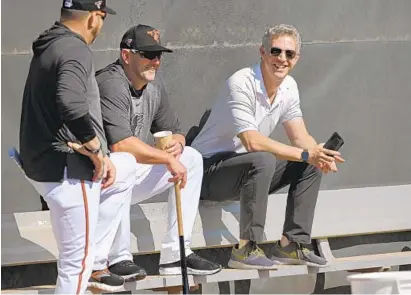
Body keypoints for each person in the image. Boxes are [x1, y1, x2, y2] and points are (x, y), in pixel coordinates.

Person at [191, 24, 345, 269]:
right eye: (276, 51)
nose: (282, 59)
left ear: (296, 58)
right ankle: (246, 249)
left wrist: (319, 153)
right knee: (264, 158)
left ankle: (292, 245)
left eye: (289, 54)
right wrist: (305, 152)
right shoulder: (241, 83)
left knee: (310, 162)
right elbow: (252, 141)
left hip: (247, 173)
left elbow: (300, 137)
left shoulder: (289, 87)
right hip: (205, 173)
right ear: (262, 52)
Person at [19, 1, 139, 293]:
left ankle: (96, 246)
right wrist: (96, 150)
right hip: (68, 170)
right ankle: (94, 253)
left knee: (125, 168)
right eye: (102, 18)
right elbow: (71, 103)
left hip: (41, 165)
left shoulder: (51, 43)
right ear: (94, 18)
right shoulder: (75, 48)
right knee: (78, 265)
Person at [95, 24, 222, 277]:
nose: (155, 62)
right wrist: (165, 158)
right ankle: (118, 257)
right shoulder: (110, 82)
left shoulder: (153, 86)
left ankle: (177, 254)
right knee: (123, 161)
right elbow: (120, 144)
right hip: (96, 184)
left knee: (192, 158)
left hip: (127, 181)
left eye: (158, 55)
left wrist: (178, 143)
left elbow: (175, 130)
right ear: (126, 55)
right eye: (148, 54)